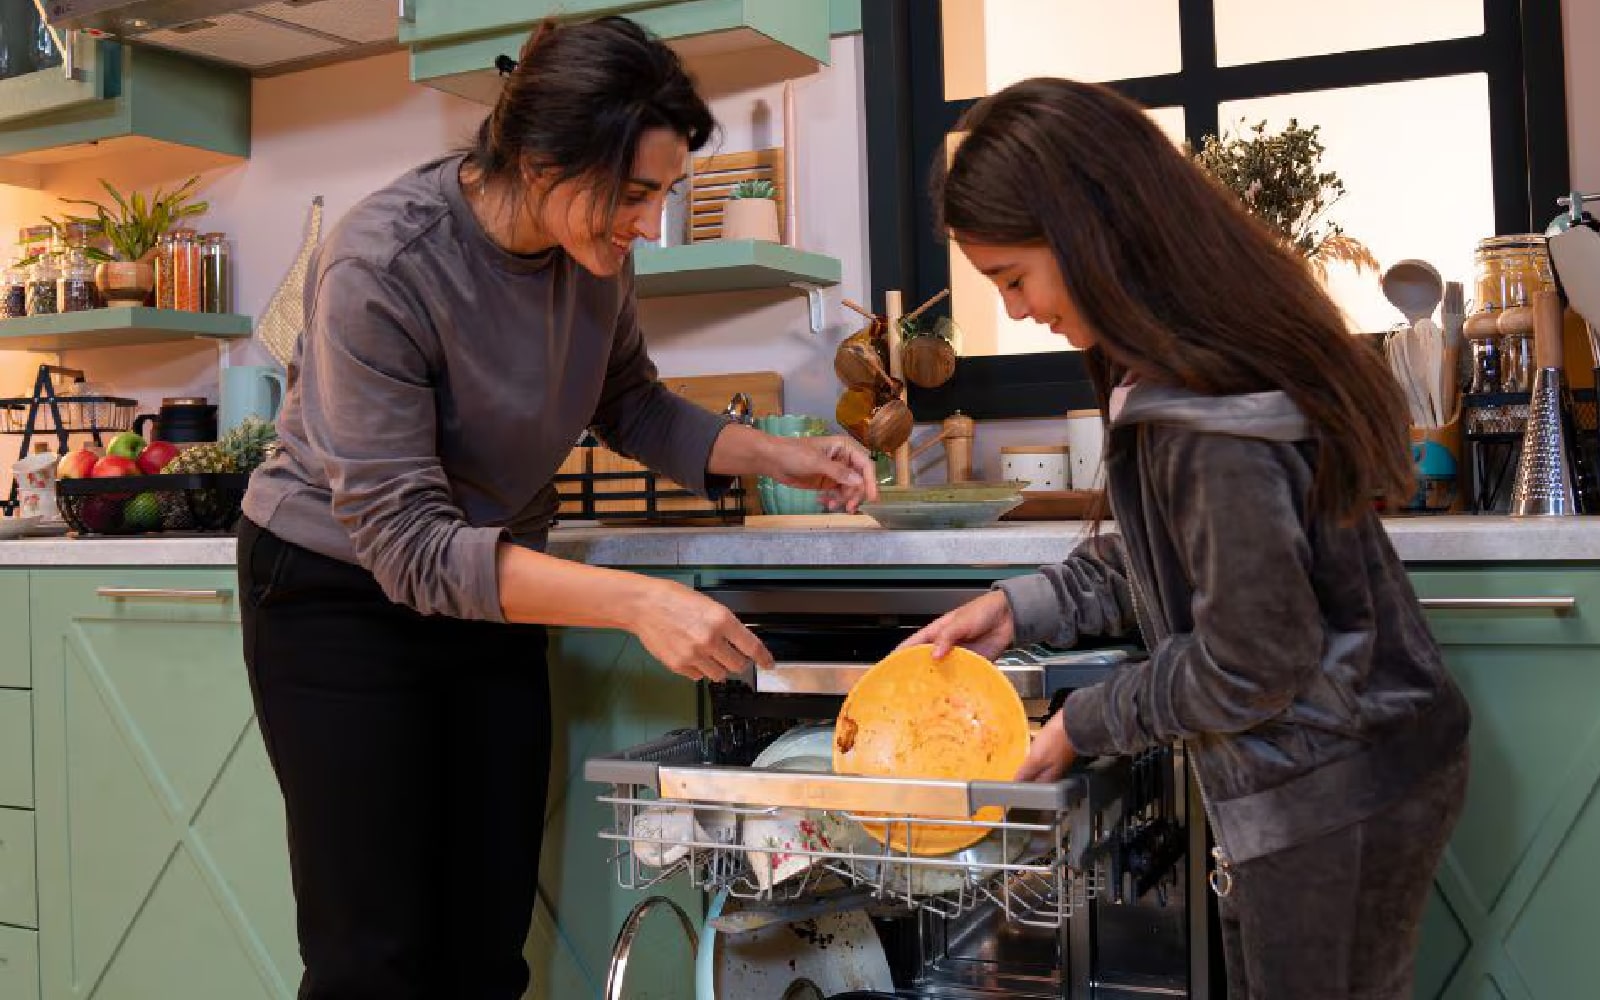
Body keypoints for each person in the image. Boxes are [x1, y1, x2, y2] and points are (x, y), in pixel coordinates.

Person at [236, 16, 874, 999]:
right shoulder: (385, 263)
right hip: (339, 596)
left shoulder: (593, 262)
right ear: (537, 158)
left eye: (659, 194)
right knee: (373, 956)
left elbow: (629, 404)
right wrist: (633, 602)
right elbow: (405, 542)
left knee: (487, 944)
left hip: (492, 593)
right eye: (632, 195)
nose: (647, 224)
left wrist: (778, 451)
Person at [904, 77, 1470, 1000]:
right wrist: (1020, 606)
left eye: (1014, 278)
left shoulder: (1205, 414)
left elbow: (1253, 659)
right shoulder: (1177, 366)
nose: (1014, 310)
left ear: (1090, 230)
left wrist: (1086, 721)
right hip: (1331, 777)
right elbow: (1167, 563)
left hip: (1337, 792)